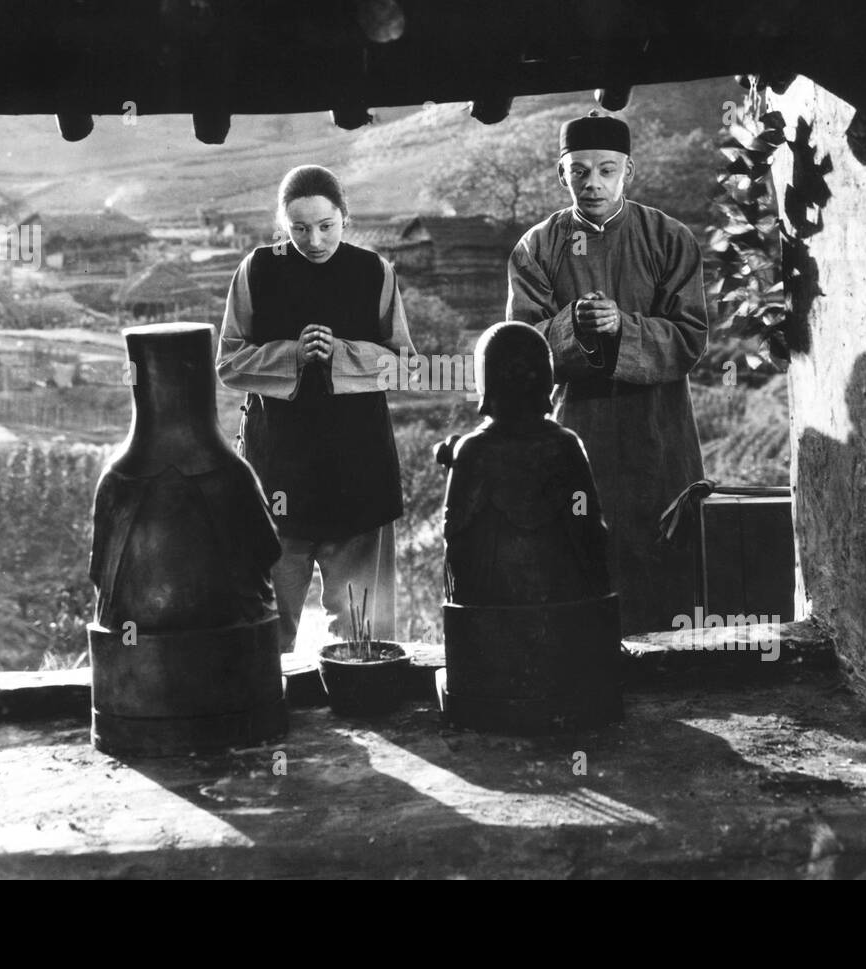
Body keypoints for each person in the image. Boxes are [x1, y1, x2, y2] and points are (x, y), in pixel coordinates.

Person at [506, 111, 708, 633]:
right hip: (577, 430)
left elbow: (689, 338)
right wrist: (574, 325)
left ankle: (670, 678)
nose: (592, 183)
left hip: (658, 429)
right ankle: (588, 672)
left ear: (628, 173)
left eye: (606, 170)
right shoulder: (537, 247)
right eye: (579, 171)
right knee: (579, 547)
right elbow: (522, 351)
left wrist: (624, 327)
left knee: (663, 548)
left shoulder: (669, 238)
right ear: (561, 173)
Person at [216, 165, 413, 652]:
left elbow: (406, 366)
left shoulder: (373, 271)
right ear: (283, 223)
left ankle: (364, 706)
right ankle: (266, 714)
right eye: (299, 228)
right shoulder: (258, 270)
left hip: (359, 469)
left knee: (363, 627)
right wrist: (291, 355)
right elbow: (229, 362)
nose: (314, 239)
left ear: (345, 217)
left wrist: (342, 354)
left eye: (326, 225)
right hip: (278, 471)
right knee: (264, 624)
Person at [436, 321, 610, 608]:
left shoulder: (473, 451)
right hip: (564, 614)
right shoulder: (566, 446)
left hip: (489, 622)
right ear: (545, 377)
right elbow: (586, 518)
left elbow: (455, 539)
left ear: (486, 380)